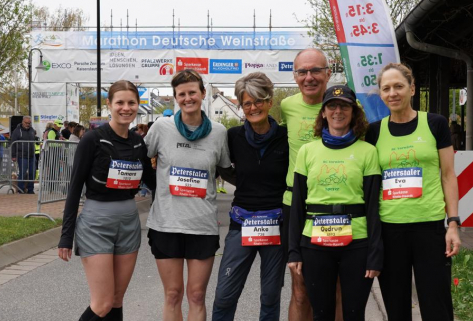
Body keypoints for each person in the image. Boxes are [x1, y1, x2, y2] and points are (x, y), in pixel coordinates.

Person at [366, 63, 461, 320]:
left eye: (398, 86)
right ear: (380, 93)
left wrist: (453, 224)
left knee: (437, 306)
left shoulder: (435, 124)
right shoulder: (374, 131)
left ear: (412, 89)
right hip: (390, 229)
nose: (392, 93)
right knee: (396, 308)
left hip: (429, 227)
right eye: (386, 88)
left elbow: (448, 175)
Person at [58, 80, 155, 321]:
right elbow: (74, 188)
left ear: (138, 105)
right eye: (120, 102)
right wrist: (66, 235)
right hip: (96, 223)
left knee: (116, 300)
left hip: (129, 223)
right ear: (109, 104)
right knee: (102, 304)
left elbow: (153, 182)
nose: (126, 108)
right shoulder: (92, 139)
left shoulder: (138, 142)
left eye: (131, 102)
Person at [286, 85, 381, 320]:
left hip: (357, 244)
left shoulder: (368, 151)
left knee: (354, 313)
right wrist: (293, 251)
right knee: (321, 313)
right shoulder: (307, 151)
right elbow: (297, 205)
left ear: (353, 112)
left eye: (344, 106)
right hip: (315, 244)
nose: (338, 111)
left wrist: (375, 253)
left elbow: (373, 207)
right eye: (332, 106)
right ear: (323, 112)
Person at [144, 69, 231, 321]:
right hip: (166, 224)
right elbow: (140, 159)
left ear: (203, 94)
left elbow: (226, 169)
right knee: (172, 294)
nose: (187, 98)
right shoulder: (161, 127)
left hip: (202, 225)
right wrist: (155, 187)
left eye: (192, 92)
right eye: (181, 94)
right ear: (176, 98)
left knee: (196, 295)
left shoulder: (219, 132)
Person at [211, 72, 289, 321]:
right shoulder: (233, 136)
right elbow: (221, 166)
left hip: (276, 225)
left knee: (270, 296)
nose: (253, 108)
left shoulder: (286, 137)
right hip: (241, 223)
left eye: (258, 101)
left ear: (269, 102)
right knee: (224, 295)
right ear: (241, 107)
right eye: (247, 103)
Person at [280, 48, 339, 321]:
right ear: (295, 76)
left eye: (316, 70)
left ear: (328, 73)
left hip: (336, 206)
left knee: (335, 288)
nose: (309, 77)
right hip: (296, 205)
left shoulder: (345, 106)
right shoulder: (287, 106)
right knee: (300, 287)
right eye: (302, 71)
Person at [11, 116, 37, 194]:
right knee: (22, 172)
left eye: (29, 123)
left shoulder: (32, 130)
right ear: (22, 122)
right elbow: (13, 143)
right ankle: (20, 189)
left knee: (32, 173)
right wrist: (13, 155)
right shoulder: (17, 131)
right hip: (21, 155)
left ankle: (30, 189)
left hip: (31, 155)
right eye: (26, 123)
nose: (28, 124)